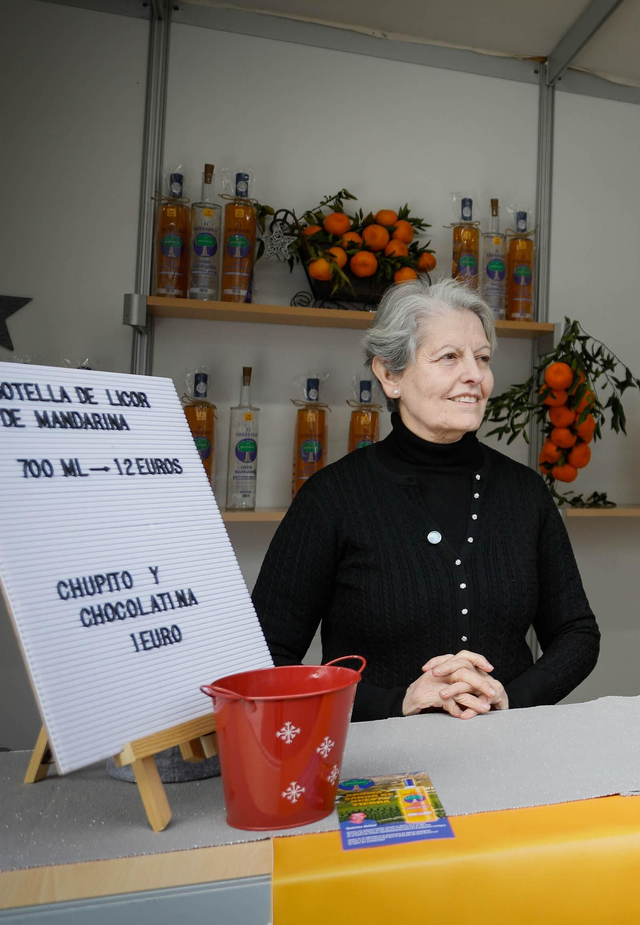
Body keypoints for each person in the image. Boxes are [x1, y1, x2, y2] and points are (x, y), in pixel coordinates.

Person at [252, 279, 600, 721]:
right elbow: (267, 657)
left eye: (483, 358)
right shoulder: (332, 498)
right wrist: (398, 702)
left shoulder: (525, 493)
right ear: (390, 375)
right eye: (450, 357)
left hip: (509, 751)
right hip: (378, 764)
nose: (475, 375)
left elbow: (577, 633)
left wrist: (509, 699)